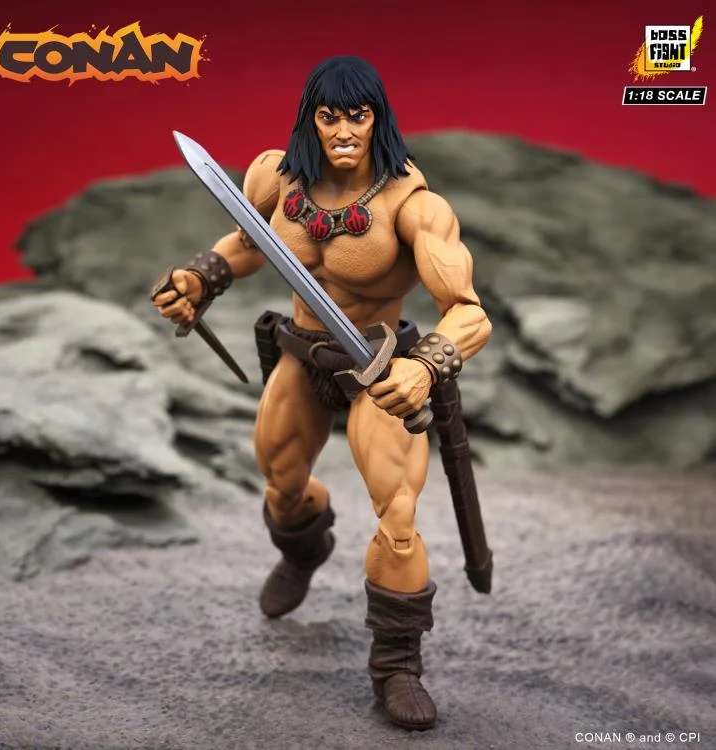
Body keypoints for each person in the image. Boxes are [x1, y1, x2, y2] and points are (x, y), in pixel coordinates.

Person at [152, 55, 491, 731]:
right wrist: (199, 279)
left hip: (379, 372)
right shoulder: (276, 177)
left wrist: (424, 368)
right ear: (310, 118)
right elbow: (249, 243)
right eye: (329, 116)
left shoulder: (413, 206)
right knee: (281, 482)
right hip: (304, 355)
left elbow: (469, 312)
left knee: (397, 514)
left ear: (377, 120)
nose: (342, 130)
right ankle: (305, 550)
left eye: (357, 116)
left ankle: (397, 666)